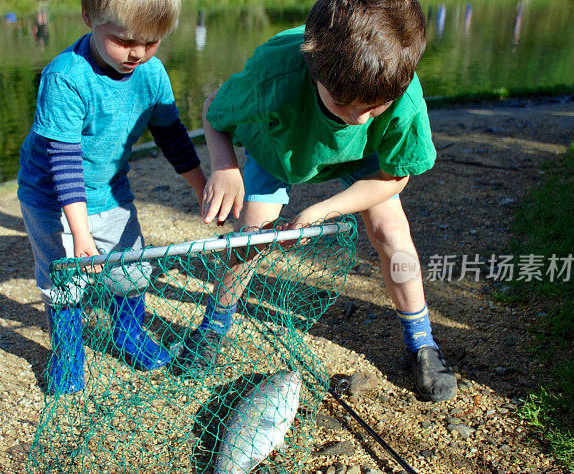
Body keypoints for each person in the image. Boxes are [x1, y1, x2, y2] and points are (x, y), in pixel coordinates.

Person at [180, 0, 457, 401]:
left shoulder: (400, 90)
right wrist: (224, 165)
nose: (359, 118)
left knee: (391, 231)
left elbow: (395, 178)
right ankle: (214, 325)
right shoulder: (274, 72)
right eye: (343, 104)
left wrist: (324, 209)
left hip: (364, 157)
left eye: (373, 109)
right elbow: (212, 110)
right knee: (250, 239)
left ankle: (422, 342)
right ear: (316, 75)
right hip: (282, 149)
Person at [18, 0, 206, 394]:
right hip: (51, 196)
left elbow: (171, 135)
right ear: (90, 19)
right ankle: (68, 354)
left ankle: (128, 335)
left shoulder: (151, 74)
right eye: (123, 40)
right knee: (65, 280)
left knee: (130, 269)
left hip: (110, 189)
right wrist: (81, 234)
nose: (137, 53)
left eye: (151, 42)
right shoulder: (66, 77)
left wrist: (201, 186)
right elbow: (65, 165)